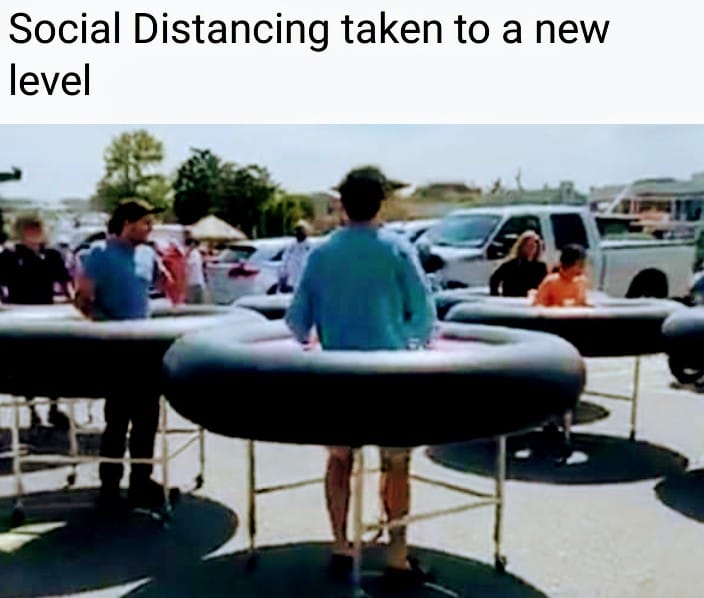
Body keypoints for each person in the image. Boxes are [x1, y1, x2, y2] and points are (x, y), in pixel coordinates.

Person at [286, 167, 436, 588]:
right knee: (397, 463)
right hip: (391, 377)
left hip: (338, 378)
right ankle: (397, 556)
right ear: (381, 203)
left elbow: (297, 323)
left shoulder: (321, 254)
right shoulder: (398, 249)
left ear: (342, 204)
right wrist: (406, 340)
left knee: (339, 460)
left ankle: (341, 546)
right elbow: (425, 316)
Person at [75, 199, 169, 511]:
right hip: (116, 350)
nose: (150, 228)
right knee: (117, 420)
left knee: (147, 421)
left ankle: (142, 480)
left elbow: (163, 285)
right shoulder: (99, 253)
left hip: (145, 349)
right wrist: (108, 328)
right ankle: (110, 486)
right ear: (128, 223)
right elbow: (83, 299)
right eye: (145, 223)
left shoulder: (147, 254)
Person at [0, 215, 74, 429]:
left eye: (37, 228)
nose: (34, 232)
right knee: (25, 366)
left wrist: (72, 302)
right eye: (29, 228)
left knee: (53, 365)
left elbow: (65, 282)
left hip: (48, 315)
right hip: (20, 317)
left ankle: (53, 407)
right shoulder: (10, 256)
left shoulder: (52, 255)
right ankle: (31, 409)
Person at [489, 230, 548, 297]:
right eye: (528, 246)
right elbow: (494, 279)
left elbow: (545, 285)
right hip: (512, 300)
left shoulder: (541, 267)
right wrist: (496, 295)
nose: (531, 249)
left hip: (530, 300)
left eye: (533, 246)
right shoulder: (510, 265)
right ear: (522, 247)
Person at [278, 220, 314, 293]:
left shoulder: (309, 245)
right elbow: (285, 259)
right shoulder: (292, 245)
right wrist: (283, 273)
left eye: (300, 231)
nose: (298, 233)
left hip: (304, 276)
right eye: (297, 231)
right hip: (292, 277)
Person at [184, 234, 206, 304]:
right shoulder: (194, 253)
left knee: (194, 303)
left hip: (194, 283)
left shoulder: (194, 254)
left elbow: (188, 264)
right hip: (194, 282)